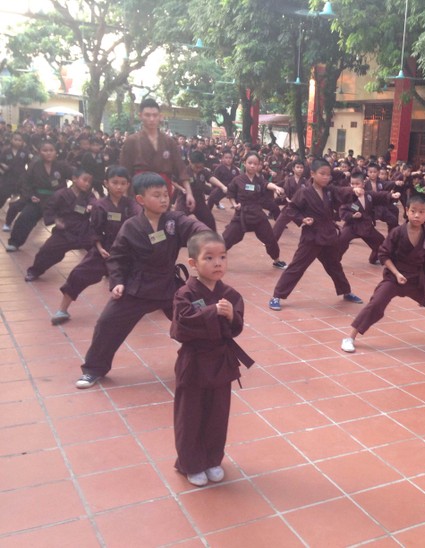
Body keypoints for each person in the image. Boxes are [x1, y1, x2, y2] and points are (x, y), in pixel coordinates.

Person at [75, 172, 208, 389]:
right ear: (141, 200)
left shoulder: (174, 220)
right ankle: (93, 369)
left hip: (168, 285)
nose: (164, 199)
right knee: (107, 323)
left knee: (197, 317)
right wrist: (117, 282)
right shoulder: (131, 226)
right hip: (137, 287)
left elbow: (193, 227)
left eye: (166, 194)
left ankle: (208, 361)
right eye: (157, 195)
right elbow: (117, 257)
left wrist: (207, 237)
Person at [171, 231, 253, 487]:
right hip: (194, 362)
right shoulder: (184, 293)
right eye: (209, 258)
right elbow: (180, 328)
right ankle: (190, 463)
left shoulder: (230, 294)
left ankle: (212, 459)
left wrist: (230, 317)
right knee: (190, 414)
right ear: (193, 263)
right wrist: (210, 312)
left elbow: (237, 327)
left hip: (220, 361)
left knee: (218, 413)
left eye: (222, 257)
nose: (218, 263)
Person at [340, 192, 425, 353]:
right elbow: (383, 254)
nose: (417, 215)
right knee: (376, 304)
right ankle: (350, 337)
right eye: (413, 211)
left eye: (421, 212)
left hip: (416, 278)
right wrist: (397, 273)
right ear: (407, 210)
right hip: (394, 278)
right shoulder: (397, 232)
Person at [269, 158, 362, 311]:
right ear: (312, 174)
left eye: (328, 174)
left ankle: (346, 292)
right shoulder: (304, 192)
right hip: (311, 237)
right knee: (297, 266)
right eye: (322, 174)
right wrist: (302, 219)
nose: (326, 177)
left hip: (329, 235)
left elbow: (342, 192)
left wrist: (354, 191)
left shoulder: (329, 190)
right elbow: (291, 209)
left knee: (334, 266)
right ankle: (277, 296)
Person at [50, 166, 138, 325]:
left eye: (123, 183)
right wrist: (99, 248)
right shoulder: (100, 205)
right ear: (106, 183)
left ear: (128, 184)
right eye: (115, 182)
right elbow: (94, 230)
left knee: (144, 276)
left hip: (126, 252)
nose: (119, 187)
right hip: (103, 250)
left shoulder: (131, 205)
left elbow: (138, 227)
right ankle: (62, 310)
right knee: (79, 274)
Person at [24, 168, 96, 281]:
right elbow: (49, 209)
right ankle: (34, 271)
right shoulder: (61, 194)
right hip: (65, 231)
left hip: (83, 230)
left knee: (99, 249)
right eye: (84, 180)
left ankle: (109, 272)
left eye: (89, 182)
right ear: (74, 178)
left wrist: (92, 206)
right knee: (47, 250)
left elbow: (94, 201)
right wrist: (55, 220)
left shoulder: (88, 195)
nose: (87, 184)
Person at [119, 98, 194, 207]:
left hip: (163, 191)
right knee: (139, 222)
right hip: (139, 191)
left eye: (155, 115)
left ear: (160, 116)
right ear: (140, 116)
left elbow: (181, 169)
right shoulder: (131, 141)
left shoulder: (169, 141)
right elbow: (124, 172)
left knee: (163, 222)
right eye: (147, 115)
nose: (152, 119)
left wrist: (189, 193)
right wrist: (124, 197)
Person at [222, 152, 287, 269]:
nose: (252, 166)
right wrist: (234, 204)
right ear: (244, 164)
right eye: (250, 163)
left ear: (259, 166)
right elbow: (230, 193)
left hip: (257, 215)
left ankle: (276, 260)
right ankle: (215, 257)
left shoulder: (259, 180)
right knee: (226, 238)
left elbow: (267, 184)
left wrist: (276, 187)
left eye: (255, 164)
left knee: (270, 239)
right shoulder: (238, 179)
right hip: (241, 215)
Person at [6, 140, 73, 251]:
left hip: (58, 200)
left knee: (72, 220)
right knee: (24, 218)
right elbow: (26, 182)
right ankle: (14, 242)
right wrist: (30, 196)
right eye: (45, 150)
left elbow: (76, 179)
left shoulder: (62, 166)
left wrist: (68, 193)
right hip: (38, 199)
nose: (48, 153)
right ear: (39, 152)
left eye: (51, 150)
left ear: (56, 152)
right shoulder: (35, 165)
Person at [338, 172, 399, 265]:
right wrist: (352, 215)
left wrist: (391, 195)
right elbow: (342, 211)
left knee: (380, 242)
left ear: (363, 184)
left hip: (366, 225)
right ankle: (334, 261)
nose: (355, 186)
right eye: (352, 184)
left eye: (357, 184)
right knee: (341, 241)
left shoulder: (369, 195)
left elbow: (380, 195)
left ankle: (374, 258)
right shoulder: (347, 197)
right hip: (352, 226)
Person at [177, 150, 226, 232]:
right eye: (196, 167)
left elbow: (210, 178)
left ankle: (213, 239)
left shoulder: (203, 171)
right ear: (190, 161)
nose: (199, 169)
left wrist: (223, 186)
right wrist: (181, 188)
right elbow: (173, 181)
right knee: (177, 220)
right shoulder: (184, 171)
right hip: (184, 201)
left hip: (199, 201)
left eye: (201, 167)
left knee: (210, 221)